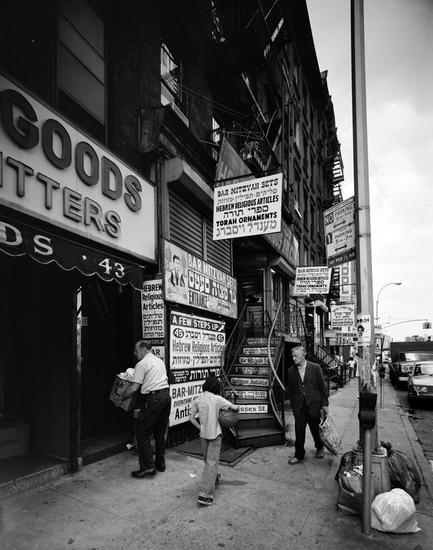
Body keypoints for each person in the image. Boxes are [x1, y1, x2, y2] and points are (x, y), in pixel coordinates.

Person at [116, 340, 171, 478]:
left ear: (143, 349)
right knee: (160, 432)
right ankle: (160, 463)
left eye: (136, 350)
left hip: (154, 399)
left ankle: (148, 467)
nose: (135, 353)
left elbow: (134, 388)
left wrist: (121, 398)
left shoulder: (141, 364)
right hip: (166, 397)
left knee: (142, 433)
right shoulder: (159, 361)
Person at [189, 376, 239, 506]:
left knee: (208, 461)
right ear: (216, 387)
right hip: (215, 435)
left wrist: (201, 427)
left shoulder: (198, 399)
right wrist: (234, 409)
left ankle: (214, 478)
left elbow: (191, 418)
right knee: (211, 462)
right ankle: (205, 495)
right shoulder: (217, 399)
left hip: (203, 434)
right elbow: (235, 407)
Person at [286, 345, 329, 464]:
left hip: (314, 405)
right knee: (299, 431)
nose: (294, 358)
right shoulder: (291, 371)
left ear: (303, 355)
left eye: (296, 356)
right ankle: (299, 455)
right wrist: (294, 406)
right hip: (299, 407)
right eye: (293, 356)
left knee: (315, 429)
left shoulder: (315, 368)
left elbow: (322, 387)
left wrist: (325, 404)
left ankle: (320, 447)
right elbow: (291, 391)